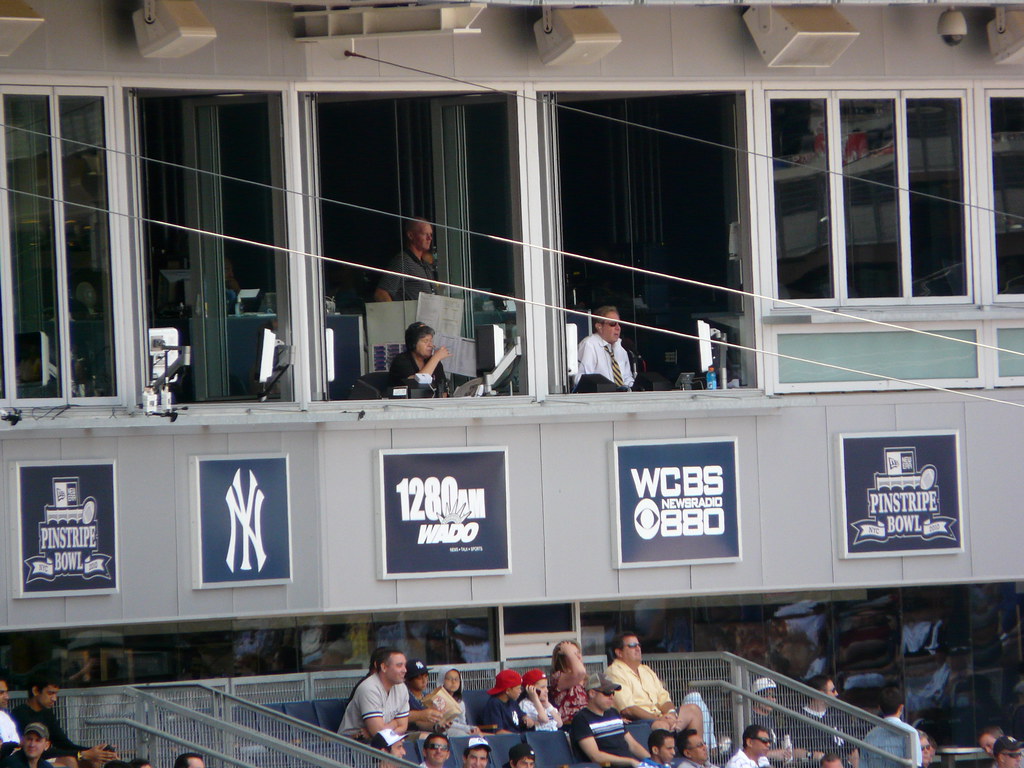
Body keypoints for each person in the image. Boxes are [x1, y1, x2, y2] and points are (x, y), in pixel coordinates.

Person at [605, 631, 703, 734]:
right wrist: (659, 719)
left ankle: (695, 749)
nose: (638, 649)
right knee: (662, 725)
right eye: (632, 646)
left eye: (639, 645)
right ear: (619, 652)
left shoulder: (646, 670)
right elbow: (628, 709)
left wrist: (671, 714)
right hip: (638, 721)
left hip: (659, 716)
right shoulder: (614, 671)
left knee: (693, 710)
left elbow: (664, 698)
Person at [11, 677, 117, 768]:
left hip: (46, 755)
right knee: (70, 761)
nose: (54, 699)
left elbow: (64, 744)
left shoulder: (47, 713)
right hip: (27, 758)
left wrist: (96, 752)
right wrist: (81, 754)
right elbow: (36, 748)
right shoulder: (19, 714)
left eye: (55, 694)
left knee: (93, 761)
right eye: (50, 693)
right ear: (35, 691)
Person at [571, 672, 650, 767]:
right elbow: (595, 756)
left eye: (613, 693)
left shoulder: (614, 713)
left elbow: (633, 745)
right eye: (607, 693)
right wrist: (630, 761)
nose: (612, 697)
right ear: (592, 693)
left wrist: (651, 761)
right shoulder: (581, 719)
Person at [338, 647, 410, 739]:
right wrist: (395, 723)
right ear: (384, 667)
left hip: (385, 740)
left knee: (425, 737)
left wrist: (387, 730)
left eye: (405, 665)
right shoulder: (369, 688)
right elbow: (379, 733)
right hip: (352, 743)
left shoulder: (401, 687)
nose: (405, 670)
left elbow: (403, 727)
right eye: (399, 665)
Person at [375, 218, 439, 302]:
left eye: (430, 234)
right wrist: (396, 314)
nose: (429, 238)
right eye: (425, 234)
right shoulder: (403, 261)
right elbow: (381, 293)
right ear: (411, 235)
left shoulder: (425, 265)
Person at [860, 687, 922, 768]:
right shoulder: (911, 733)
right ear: (901, 707)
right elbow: (916, 764)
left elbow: (863, 764)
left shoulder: (869, 736)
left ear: (879, 708)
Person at [789, 676, 847, 762]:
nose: (836, 694)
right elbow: (791, 751)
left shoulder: (838, 716)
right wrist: (811, 754)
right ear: (820, 693)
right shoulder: (798, 719)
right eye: (833, 690)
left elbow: (852, 751)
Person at [576, 306, 634, 390]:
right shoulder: (589, 345)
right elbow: (581, 379)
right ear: (599, 326)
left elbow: (627, 378)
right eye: (612, 324)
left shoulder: (621, 345)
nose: (618, 328)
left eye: (619, 324)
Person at [389, 322, 450, 396]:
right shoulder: (401, 361)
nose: (431, 345)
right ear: (413, 343)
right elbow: (416, 384)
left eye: (431, 341)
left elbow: (443, 392)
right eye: (426, 341)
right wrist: (436, 357)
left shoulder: (435, 362)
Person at [550, 640, 589, 726]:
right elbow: (580, 672)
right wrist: (568, 651)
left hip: (589, 721)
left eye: (578, 653)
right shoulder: (557, 677)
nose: (578, 656)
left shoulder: (586, 679)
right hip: (571, 725)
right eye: (573, 654)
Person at [406, 659, 445, 733]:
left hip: (435, 729)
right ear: (408, 679)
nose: (424, 681)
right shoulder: (405, 697)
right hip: (413, 732)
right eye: (419, 678)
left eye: (426, 676)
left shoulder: (428, 695)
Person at [441, 669, 481, 736]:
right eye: (449, 679)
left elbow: (463, 722)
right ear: (442, 680)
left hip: (461, 729)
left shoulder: (460, 702)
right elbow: (448, 723)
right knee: (462, 735)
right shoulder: (438, 700)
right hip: (445, 730)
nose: (453, 682)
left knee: (478, 734)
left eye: (456, 679)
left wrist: (471, 729)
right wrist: (467, 728)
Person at [0, 677, 20, 756]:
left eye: (6, 692)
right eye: (1, 693)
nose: (7, 697)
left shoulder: (5, 717)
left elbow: (16, 746)